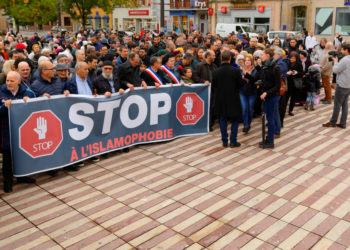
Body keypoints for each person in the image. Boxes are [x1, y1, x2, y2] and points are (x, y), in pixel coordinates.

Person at [0, 71, 36, 192]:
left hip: (23, 131)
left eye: (12, 81)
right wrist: (4, 107)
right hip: (6, 131)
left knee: (22, 154)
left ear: (19, 81)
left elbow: (37, 106)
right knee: (7, 156)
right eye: (7, 81)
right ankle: (8, 181)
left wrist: (29, 102)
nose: (8, 83)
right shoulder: (1, 92)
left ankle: (21, 176)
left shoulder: (28, 92)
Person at [212, 50, 243, 148]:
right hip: (233, 98)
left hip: (220, 99)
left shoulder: (215, 71)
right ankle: (233, 141)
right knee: (234, 120)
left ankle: (224, 141)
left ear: (221, 59)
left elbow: (214, 85)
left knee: (222, 119)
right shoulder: (236, 71)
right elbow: (240, 84)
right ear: (230, 59)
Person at [258, 48, 281, 149]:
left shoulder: (275, 68)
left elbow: (277, 86)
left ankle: (270, 140)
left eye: (262, 54)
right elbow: (265, 81)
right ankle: (268, 138)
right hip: (267, 96)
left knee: (270, 119)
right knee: (269, 118)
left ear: (268, 55)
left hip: (272, 96)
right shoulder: (265, 66)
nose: (261, 56)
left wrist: (267, 93)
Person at [323, 43, 350, 129]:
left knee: (337, 104)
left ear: (346, 50)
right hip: (348, 85)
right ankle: (342, 123)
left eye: (342, 49)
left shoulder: (345, 60)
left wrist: (336, 62)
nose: (341, 51)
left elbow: (335, 70)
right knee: (345, 104)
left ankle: (333, 122)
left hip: (342, 85)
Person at [192, 50, 217, 130]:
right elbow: (195, 76)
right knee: (206, 108)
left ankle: (211, 123)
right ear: (208, 56)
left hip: (213, 90)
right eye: (213, 55)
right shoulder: (200, 65)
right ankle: (207, 125)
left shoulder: (214, 66)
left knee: (212, 107)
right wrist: (203, 81)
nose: (214, 57)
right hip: (204, 91)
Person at [240, 55, 257, 133]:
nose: (247, 61)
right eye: (246, 60)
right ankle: (246, 125)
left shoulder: (255, 70)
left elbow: (253, 80)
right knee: (244, 109)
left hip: (252, 92)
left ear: (251, 62)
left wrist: (247, 76)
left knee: (250, 109)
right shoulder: (240, 69)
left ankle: (249, 123)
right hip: (242, 92)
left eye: (249, 60)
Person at [286, 52, 303, 116]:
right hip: (288, 82)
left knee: (293, 98)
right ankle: (283, 109)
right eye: (291, 58)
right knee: (286, 97)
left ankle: (290, 110)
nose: (292, 59)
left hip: (295, 83)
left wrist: (296, 73)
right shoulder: (287, 63)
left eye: (294, 58)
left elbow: (302, 73)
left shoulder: (299, 64)